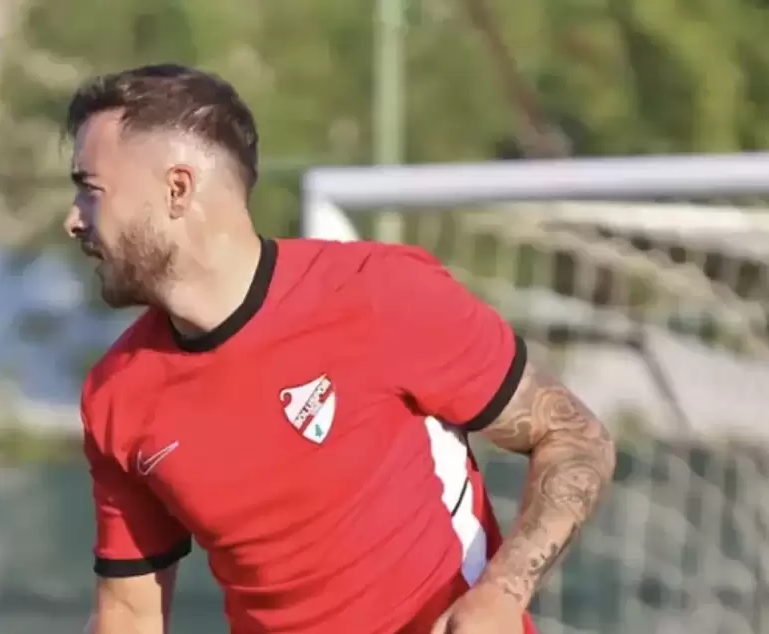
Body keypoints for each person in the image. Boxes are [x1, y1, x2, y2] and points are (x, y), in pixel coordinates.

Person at [64, 63, 616, 634]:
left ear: (177, 189)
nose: (73, 220)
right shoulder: (117, 393)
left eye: (89, 189)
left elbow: (575, 438)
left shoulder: (379, 294)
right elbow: (128, 613)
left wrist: (502, 593)